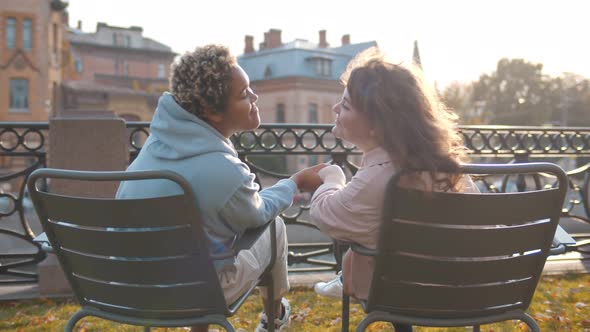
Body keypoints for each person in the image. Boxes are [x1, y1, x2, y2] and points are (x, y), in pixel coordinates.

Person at [116, 44, 323, 332]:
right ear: (213, 111)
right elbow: (256, 214)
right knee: (273, 227)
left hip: (139, 290)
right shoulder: (221, 168)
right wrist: (295, 182)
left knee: (204, 240)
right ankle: (275, 318)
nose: (255, 96)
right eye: (243, 94)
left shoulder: (151, 150)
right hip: (199, 293)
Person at [305, 47, 477, 332]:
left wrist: (333, 177)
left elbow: (325, 215)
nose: (335, 109)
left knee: (358, 235)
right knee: (390, 239)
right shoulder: (449, 169)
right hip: (471, 294)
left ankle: (346, 277)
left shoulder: (380, 177)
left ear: (376, 125)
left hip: (404, 296)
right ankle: (349, 275)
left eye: (346, 106)